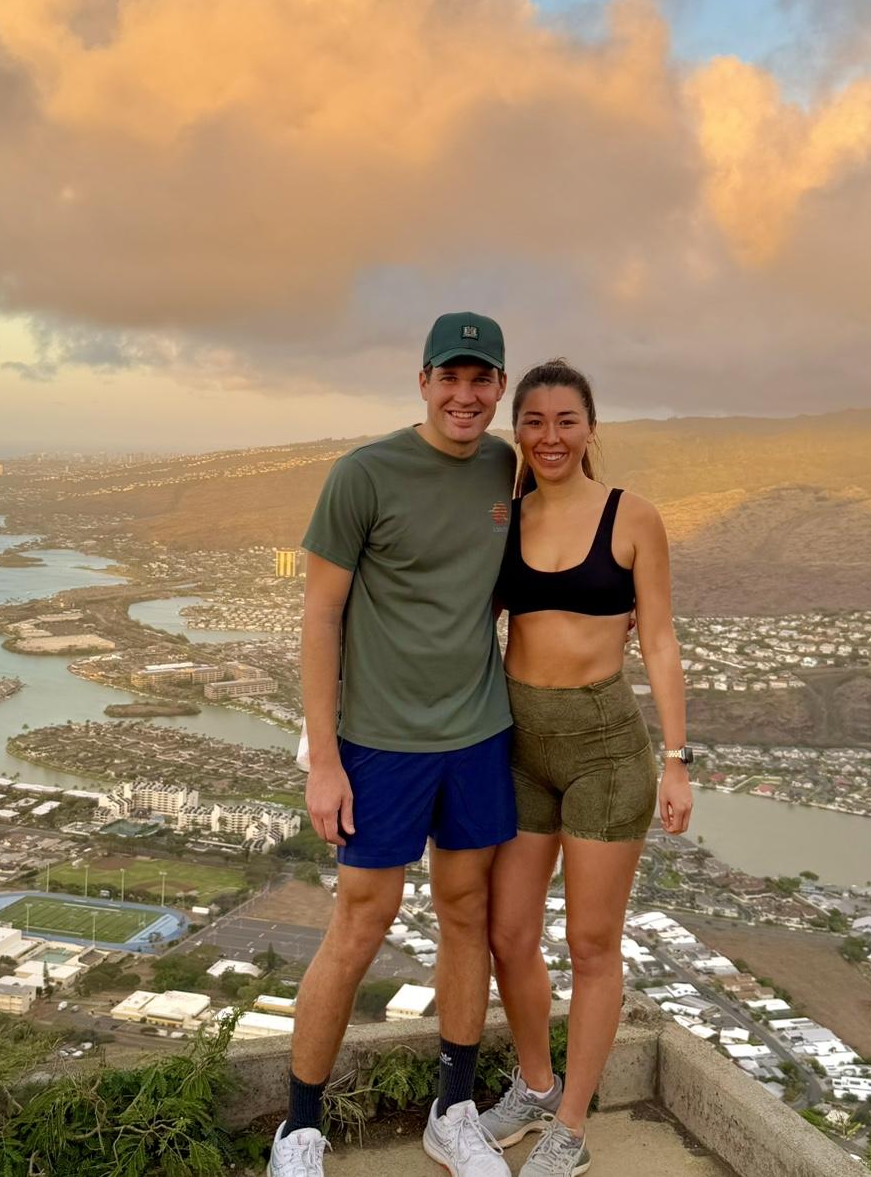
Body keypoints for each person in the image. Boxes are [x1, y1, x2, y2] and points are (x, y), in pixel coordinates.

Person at [268, 312, 518, 1177]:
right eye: (450, 377)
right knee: (359, 924)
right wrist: (325, 758)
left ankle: (452, 1114)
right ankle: (299, 1128)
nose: (465, 394)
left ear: (499, 387)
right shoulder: (362, 475)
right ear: (421, 381)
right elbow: (319, 618)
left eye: (481, 379)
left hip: (480, 735)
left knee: (466, 917)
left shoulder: (503, 465)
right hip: (380, 745)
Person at [480, 359, 693, 1177]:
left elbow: (663, 639)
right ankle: (536, 1084)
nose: (550, 436)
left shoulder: (632, 517)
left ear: (591, 428)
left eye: (566, 420)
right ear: (518, 432)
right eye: (533, 421)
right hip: (520, 744)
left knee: (592, 942)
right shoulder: (508, 517)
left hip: (607, 748)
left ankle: (570, 1125)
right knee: (508, 932)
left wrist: (675, 762)